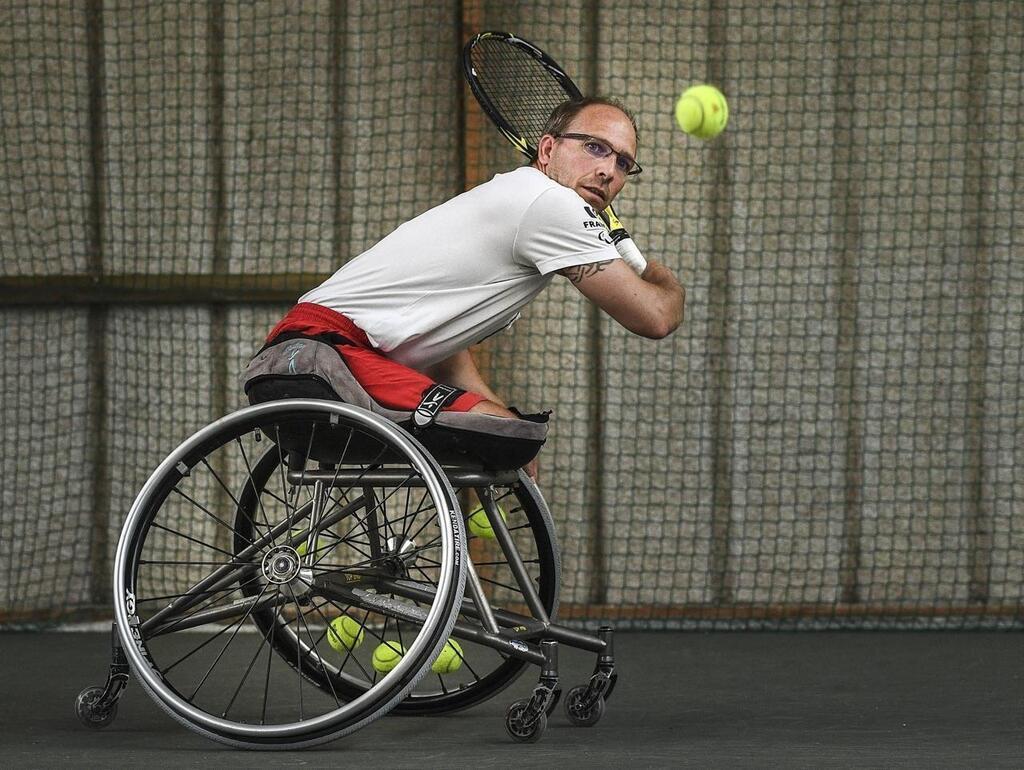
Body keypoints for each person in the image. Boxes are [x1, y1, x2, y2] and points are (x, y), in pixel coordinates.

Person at [259, 97, 686, 476]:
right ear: (548, 148)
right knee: (510, 435)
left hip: (303, 363)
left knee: (506, 432)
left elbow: (445, 348)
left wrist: (494, 410)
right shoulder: (550, 204)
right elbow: (656, 317)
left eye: (624, 163)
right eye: (595, 147)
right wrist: (659, 275)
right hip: (318, 360)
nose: (608, 170)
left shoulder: (521, 197)